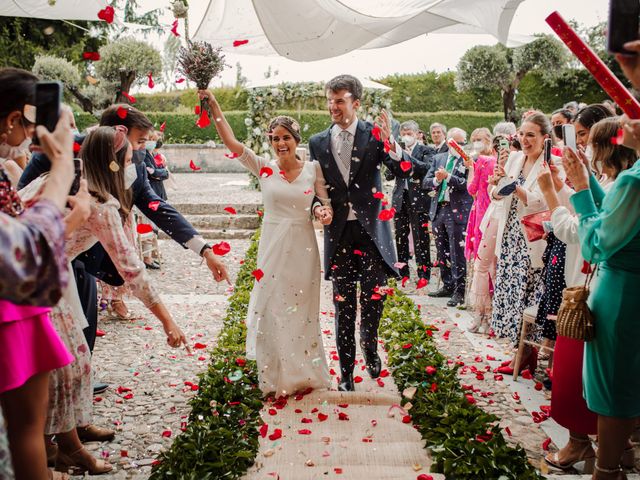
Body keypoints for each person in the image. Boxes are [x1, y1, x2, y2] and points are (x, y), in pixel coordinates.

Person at [19, 105, 230, 365]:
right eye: (139, 142)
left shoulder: (125, 165)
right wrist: (168, 322)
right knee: (46, 347)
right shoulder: (64, 160)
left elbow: (158, 208)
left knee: (79, 330)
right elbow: (18, 197)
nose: (142, 151)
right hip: (39, 265)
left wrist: (205, 250)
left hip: (52, 259)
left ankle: (77, 370)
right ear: (117, 142)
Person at [198, 89, 332, 397]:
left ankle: (305, 373)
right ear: (270, 142)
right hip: (272, 246)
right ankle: (275, 377)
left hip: (303, 247)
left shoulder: (313, 169)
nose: (281, 143)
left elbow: (321, 201)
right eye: (275, 138)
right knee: (272, 309)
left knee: (302, 311)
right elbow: (231, 143)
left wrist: (323, 212)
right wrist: (215, 105)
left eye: (286, 137)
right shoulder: (264, 167)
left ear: (296, 140)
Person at [540, 117, 637, 475]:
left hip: (623, 291)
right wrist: (587, 181)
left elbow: (596, 244)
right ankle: (617, 457)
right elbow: (612, 209)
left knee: (612, 388)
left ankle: (607, 471)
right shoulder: (629, 177)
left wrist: (577, 189)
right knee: (614, 382)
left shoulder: (634, 179)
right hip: (618, 286)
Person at [308, 74, 411, 392]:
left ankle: (369, 344)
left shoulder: (375, 135)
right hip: (338, 234)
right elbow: (315, 189)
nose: (332, 106)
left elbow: (403, 170)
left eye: (339, 100)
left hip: (371, 234)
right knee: (343, 305)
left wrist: (392, 145)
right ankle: (346, 373)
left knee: (372, 302)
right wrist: (317, 208)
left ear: (356, 102)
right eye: (329, 100)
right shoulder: (317, 142)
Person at [0, 67, 78, 480]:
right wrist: (62, 168)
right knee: (26, 428)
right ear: (13, 120)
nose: (32, 135)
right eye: (30, 125)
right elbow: (24, 250)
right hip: (10, 310)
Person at [491, 113, 553, 374]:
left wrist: (514, 187)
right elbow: (495, 193)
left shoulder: (550, 163)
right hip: (509, 237)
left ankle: (528, 354)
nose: (525, 140)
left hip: (532, 240)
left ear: (544, 138)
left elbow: (542, 202)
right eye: (522, 134)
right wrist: (498, 185)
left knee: (527, 295)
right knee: (510, 296)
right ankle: (520, 353)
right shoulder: (515, 158)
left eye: (531, 135)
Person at [424, 129, 473, 307]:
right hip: (439, 209)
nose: (457, 147)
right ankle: (447, 284)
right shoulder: (439, 158)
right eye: (454, 143)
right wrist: (437, 180)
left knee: (456, 251)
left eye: (461, 143)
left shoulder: (468, 160)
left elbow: (468, 185)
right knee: (441, 249)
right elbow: (426, 181)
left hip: (457, 210)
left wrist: (449, 177)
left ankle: (459, 290)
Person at [388, 120, 434, 283]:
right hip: (401, 198)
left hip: (419, 199)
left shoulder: (426, 150)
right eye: (404, 134)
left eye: (410, 134)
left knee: (420, 236)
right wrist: (394, 158)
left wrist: (406, 156)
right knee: (400, 235)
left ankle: (424, 272)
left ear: (417, 134)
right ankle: (403, 270)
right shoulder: (397, 150)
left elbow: (426, 169)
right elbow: (389, 174)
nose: (407, 137)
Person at [465, 129, 497, 332]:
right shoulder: (502, 161)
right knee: (493, 267)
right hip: (495, 216)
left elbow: (471, 189)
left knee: (482, 268)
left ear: (489, 141)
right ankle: (491, 315)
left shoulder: (483, 162)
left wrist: (471, 168)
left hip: (483, 216)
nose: (476, 143)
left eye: (479, 140)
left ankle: (481, 314)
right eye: (473, 140)